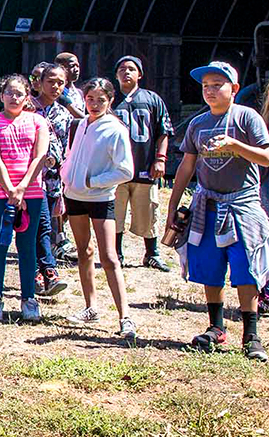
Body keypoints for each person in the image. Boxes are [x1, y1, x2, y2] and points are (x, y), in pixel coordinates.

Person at [167, 61, 269, 361]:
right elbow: (187, 165)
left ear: (234, 89)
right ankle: (216, 327)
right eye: (205, 86)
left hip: (242, 205)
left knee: (245, 268)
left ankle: (251, 335)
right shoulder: (198, 124)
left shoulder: (246, 118)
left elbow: (266, 157)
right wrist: (173, 206)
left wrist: (236, 145)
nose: (210, 91)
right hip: (207, 206)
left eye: (217, 85)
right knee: (210, 268)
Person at [60, 78, 137, 341]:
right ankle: (90, 307)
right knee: (84, 251)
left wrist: (94, 181)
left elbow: (126, 170)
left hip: (101, 197)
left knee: (109, 256)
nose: (94, 104)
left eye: (100, 100)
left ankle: (125, 316)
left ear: (110, 100)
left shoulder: (115, 129)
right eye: (90, 99)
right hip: (74, 196)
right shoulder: (81, 124)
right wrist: (67, 176)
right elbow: (73, 155)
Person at [0, 74, 50, 324]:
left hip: (31, 191)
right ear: (1, 96)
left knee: (27, 245)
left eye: (19, 93)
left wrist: (22, 188)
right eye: (9, 93)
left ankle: (28, 297)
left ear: (27, 96)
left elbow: (40, 156)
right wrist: (11, 190)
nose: (14, 97)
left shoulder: (38, 121)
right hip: (0, 191)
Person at [112, 55, 173, 271]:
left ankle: (151, 253)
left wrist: (160, 159)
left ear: (140, 74)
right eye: (121, 68)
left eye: (131, 68)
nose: (126, 72)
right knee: (115, 213)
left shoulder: (152, 99)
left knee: (148, 212)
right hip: (116, 169)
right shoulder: (109, 98)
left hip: (145, 166)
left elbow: (163, 131)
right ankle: (116, 253)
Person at [31, 62, 74, 292]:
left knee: (43, 226)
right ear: (40, 82)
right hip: (30, 178)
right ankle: (49, 270)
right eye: (51, 81)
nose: (55, 86)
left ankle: (40, 274)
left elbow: (65, 148)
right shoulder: (28, 108)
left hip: (53, 180)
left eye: (60, 83)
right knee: (41, 226)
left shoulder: (64, 114)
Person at [54, 52, 85, 119]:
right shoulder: (56, 93)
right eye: (72, 66)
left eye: (77, 66)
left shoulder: (79, 93)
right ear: (61, 68)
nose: (76, 70)